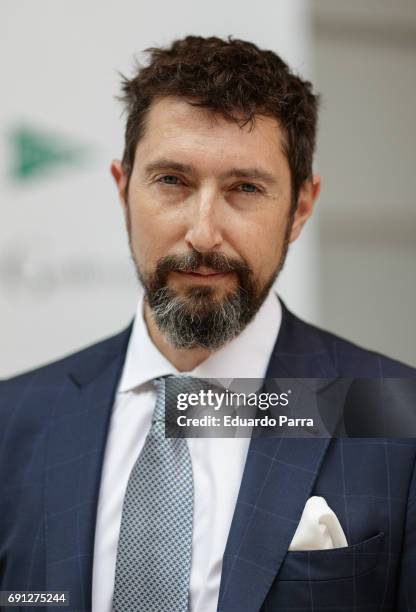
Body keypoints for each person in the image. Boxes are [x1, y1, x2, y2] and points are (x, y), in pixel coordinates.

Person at [0, 36, 415, 612]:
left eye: (245, 188)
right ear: (123, 191)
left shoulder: (397, 418)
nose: (202, 232)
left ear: (299, 208)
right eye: (172, 180)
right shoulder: (12, 421)